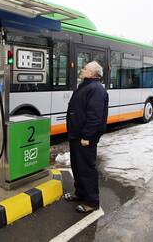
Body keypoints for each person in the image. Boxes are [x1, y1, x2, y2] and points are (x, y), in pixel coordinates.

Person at [65, 61, 109, 213]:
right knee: (77, 167)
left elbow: (95, 116)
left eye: (85, 68)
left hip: (84, 138)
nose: (82, 70)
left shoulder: (95, 89)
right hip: (77, 136)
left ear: (92, 73)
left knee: (86, 169)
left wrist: (87, 136)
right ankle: (80, 193)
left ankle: (92, 202)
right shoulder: (87, 85)